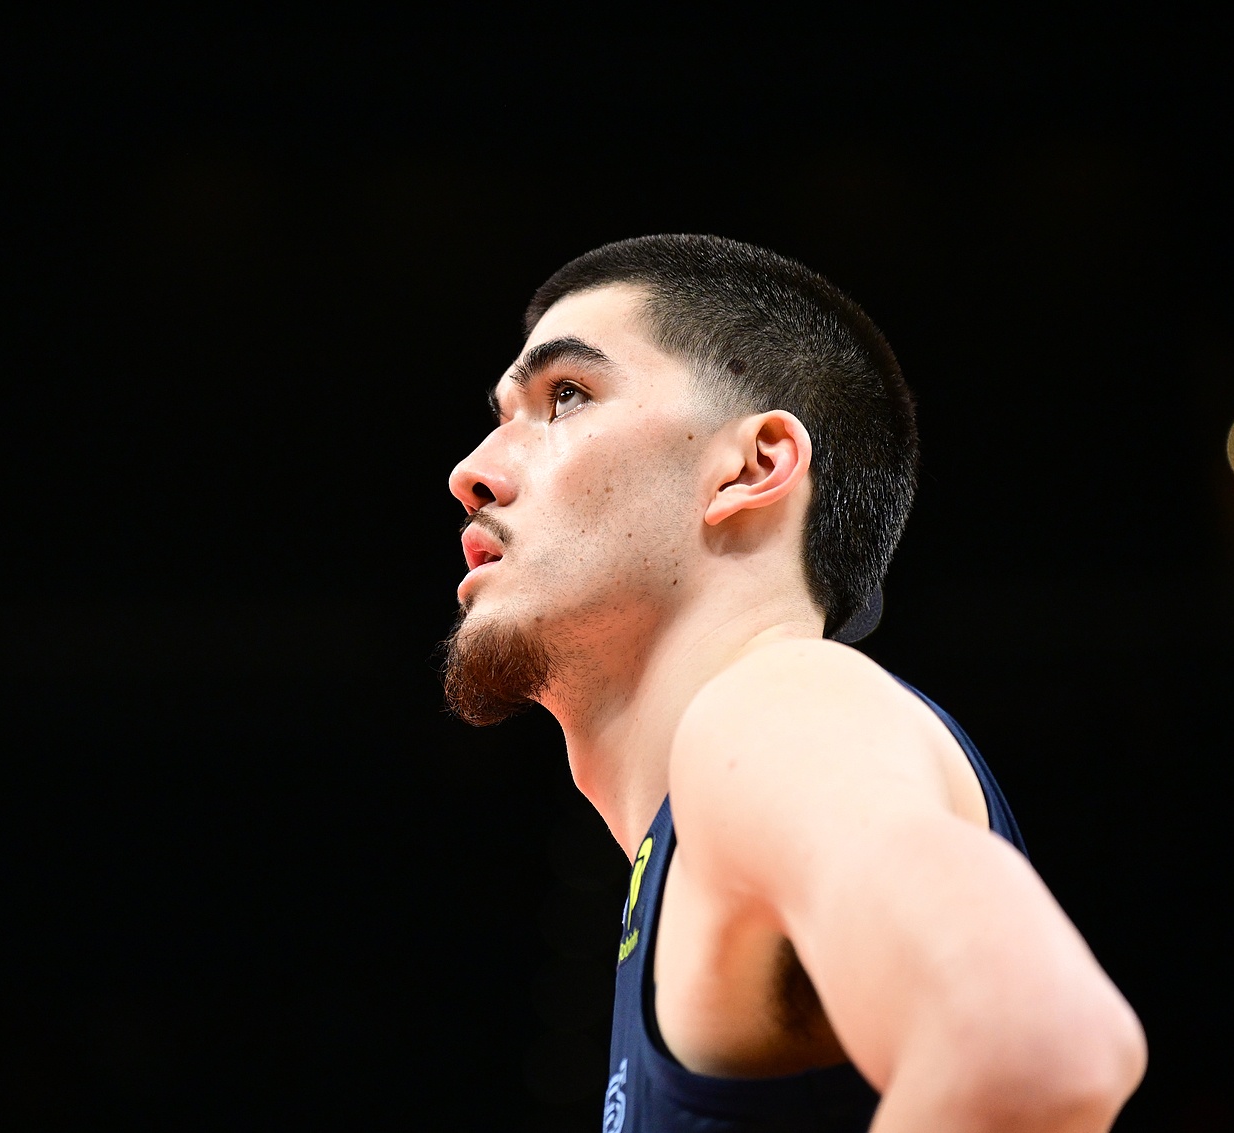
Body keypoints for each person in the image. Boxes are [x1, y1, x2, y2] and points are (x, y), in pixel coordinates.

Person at [444, 235, 1146, 1133]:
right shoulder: (714, 811)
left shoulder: (772, 707)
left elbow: (1039, 1046)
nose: (471, 471)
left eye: (566, 396)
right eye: (501, 414)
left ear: (754, 465)